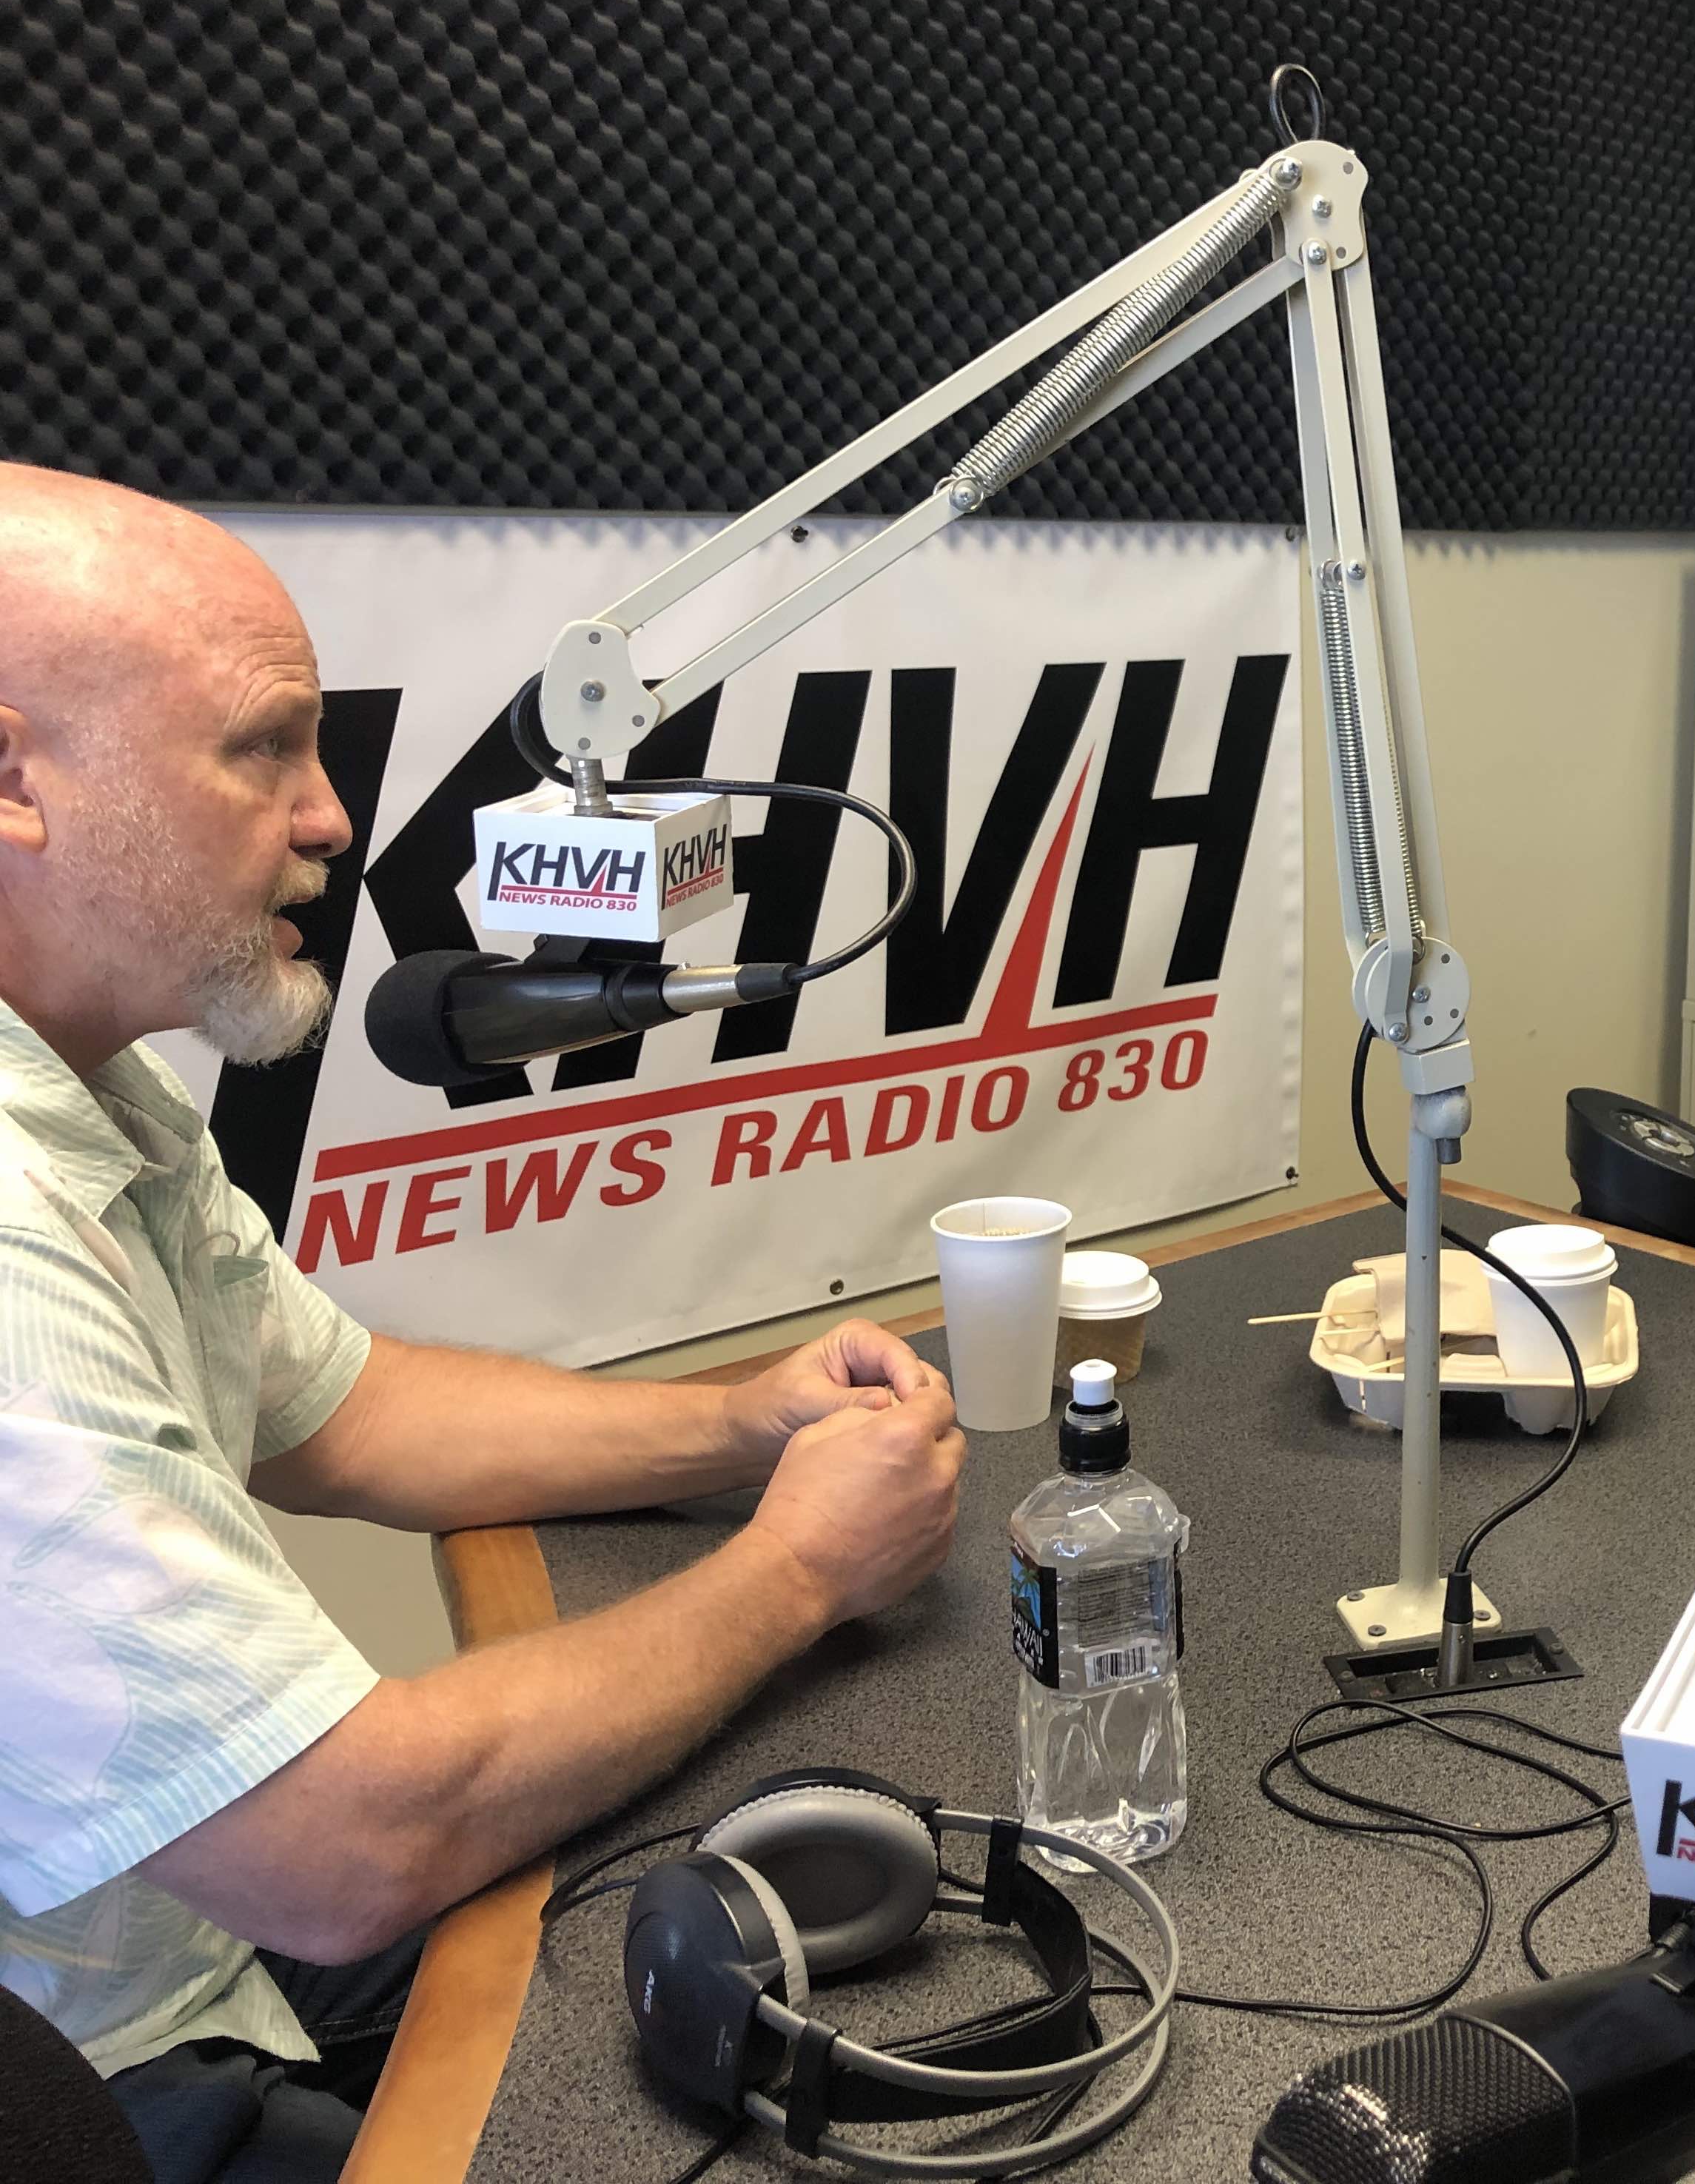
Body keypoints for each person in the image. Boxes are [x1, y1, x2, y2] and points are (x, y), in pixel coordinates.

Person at [0, 464, 969, 2183]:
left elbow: (350, 1414)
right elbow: (343, 1845)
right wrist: (799, 1569)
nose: (330, 819)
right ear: (14, 778)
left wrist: (751, 1423)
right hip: (117, 2084)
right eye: (262, 750)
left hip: (220, 1933)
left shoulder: (93, 1092)